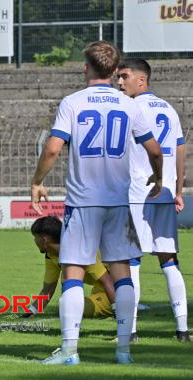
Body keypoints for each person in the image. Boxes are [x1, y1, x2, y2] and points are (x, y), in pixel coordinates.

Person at [31, 40, 163, 365]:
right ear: (115, 70)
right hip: (118, 203)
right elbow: (155, 150)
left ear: (86, 67)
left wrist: (37, 182)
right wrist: (158, 178)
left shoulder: (72, 102)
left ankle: (69, 350)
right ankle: (123, 351)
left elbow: (52, 149)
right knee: (123, 274)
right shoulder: (129, 105)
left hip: (83, 202)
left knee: (73, 274)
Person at [117, 58, 190, 342]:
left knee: (132, 259)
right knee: (169, 259)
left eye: (124, 77)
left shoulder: (130, 108)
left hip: (138, 190)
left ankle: (131, 330)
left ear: (141, 80)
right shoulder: (169, 109)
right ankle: (182, 330)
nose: (119, 82)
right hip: (166, 191)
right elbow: (180, 150)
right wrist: (179, 189)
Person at [25, 216, 115, 319]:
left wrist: (119, 310)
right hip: (99, 289)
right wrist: (32, 311)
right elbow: (48, 288)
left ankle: (125, 305)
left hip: (113, 289)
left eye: (36, 237)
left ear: (45, 240)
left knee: (71, 308)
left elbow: (107, 281)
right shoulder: (51, 255)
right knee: (67, 307)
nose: (35, 241)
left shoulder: (81, 251)